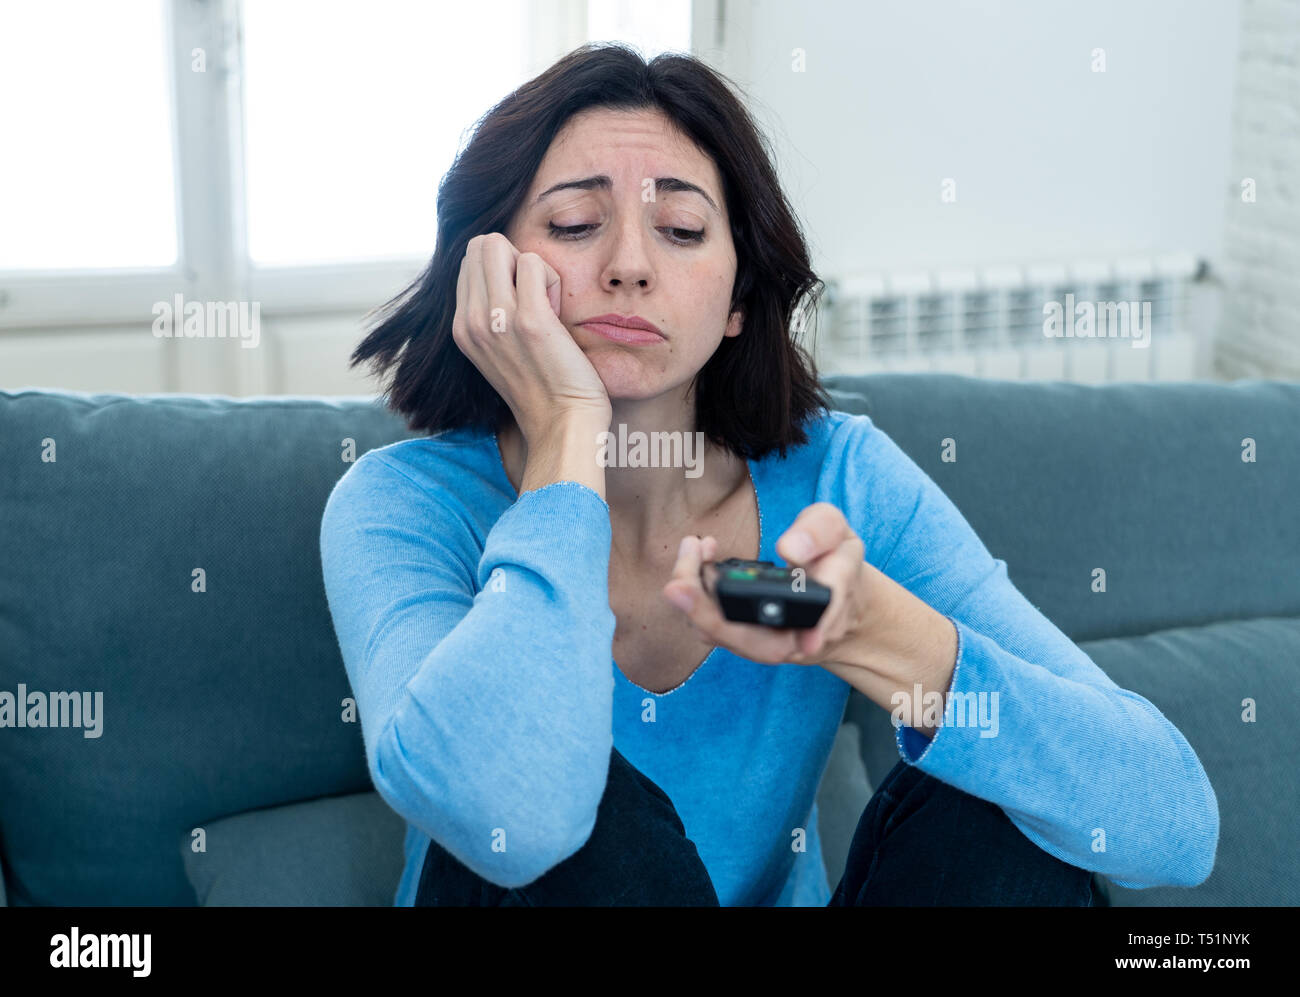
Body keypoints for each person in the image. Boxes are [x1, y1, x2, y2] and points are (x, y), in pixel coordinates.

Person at [319, 42, 1218, 906]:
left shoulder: (843, 478)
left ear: (741, 300)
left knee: (1002, 796)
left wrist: (875, 631)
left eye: (679, 229)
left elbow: (1174, 823)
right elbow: (514, 812)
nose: (629, 265)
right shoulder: (401, 505)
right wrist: (567, 440)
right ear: (489, 276)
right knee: (586, 803)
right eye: (574, 224)